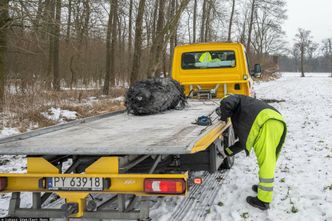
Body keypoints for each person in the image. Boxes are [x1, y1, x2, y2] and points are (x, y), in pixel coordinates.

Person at [217, 94, 287, 210]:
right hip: (274, 121)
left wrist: (223, 118)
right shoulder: (246, 109)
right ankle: (263, 189)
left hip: (266, 123)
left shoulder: (237, 99)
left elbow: (226, 102)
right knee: (268, 160)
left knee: (266, 162)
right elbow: (244, 143)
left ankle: (264, 200)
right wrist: (227, 152)